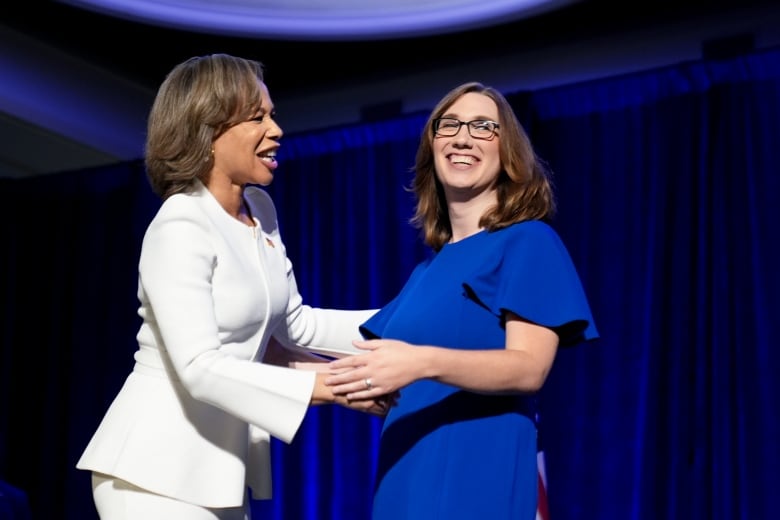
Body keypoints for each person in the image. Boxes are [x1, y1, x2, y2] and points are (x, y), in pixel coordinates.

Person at [76, 53, 387, 520]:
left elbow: (295, 327)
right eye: (256, 117)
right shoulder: (180, 224)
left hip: (217, 466)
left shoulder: (260, 210)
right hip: (153, 468)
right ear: (207, 132)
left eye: (273, 114)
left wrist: (408, 318)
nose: (276, 129)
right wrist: (341, 386)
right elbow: (200, 366)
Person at [325, 81, 599, 519]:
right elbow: (367, 367)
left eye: (483, 127)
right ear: (431, 147)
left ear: (508, 152)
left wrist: (421, 362)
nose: (462, 136)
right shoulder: (425, 274)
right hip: (404, 482)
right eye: (448, 125)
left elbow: (529, 368)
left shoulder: (528, 241)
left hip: (476, 483)